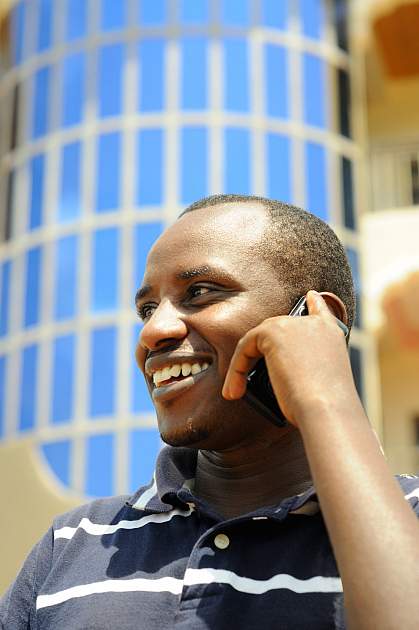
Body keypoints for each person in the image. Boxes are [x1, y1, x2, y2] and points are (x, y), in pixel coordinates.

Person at [1, 195, 418, 630]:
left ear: (319, 322)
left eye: (199, 292)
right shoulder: (72, 544)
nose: (153, 331)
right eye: (146, 309)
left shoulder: (410, 515)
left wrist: (328, 399)